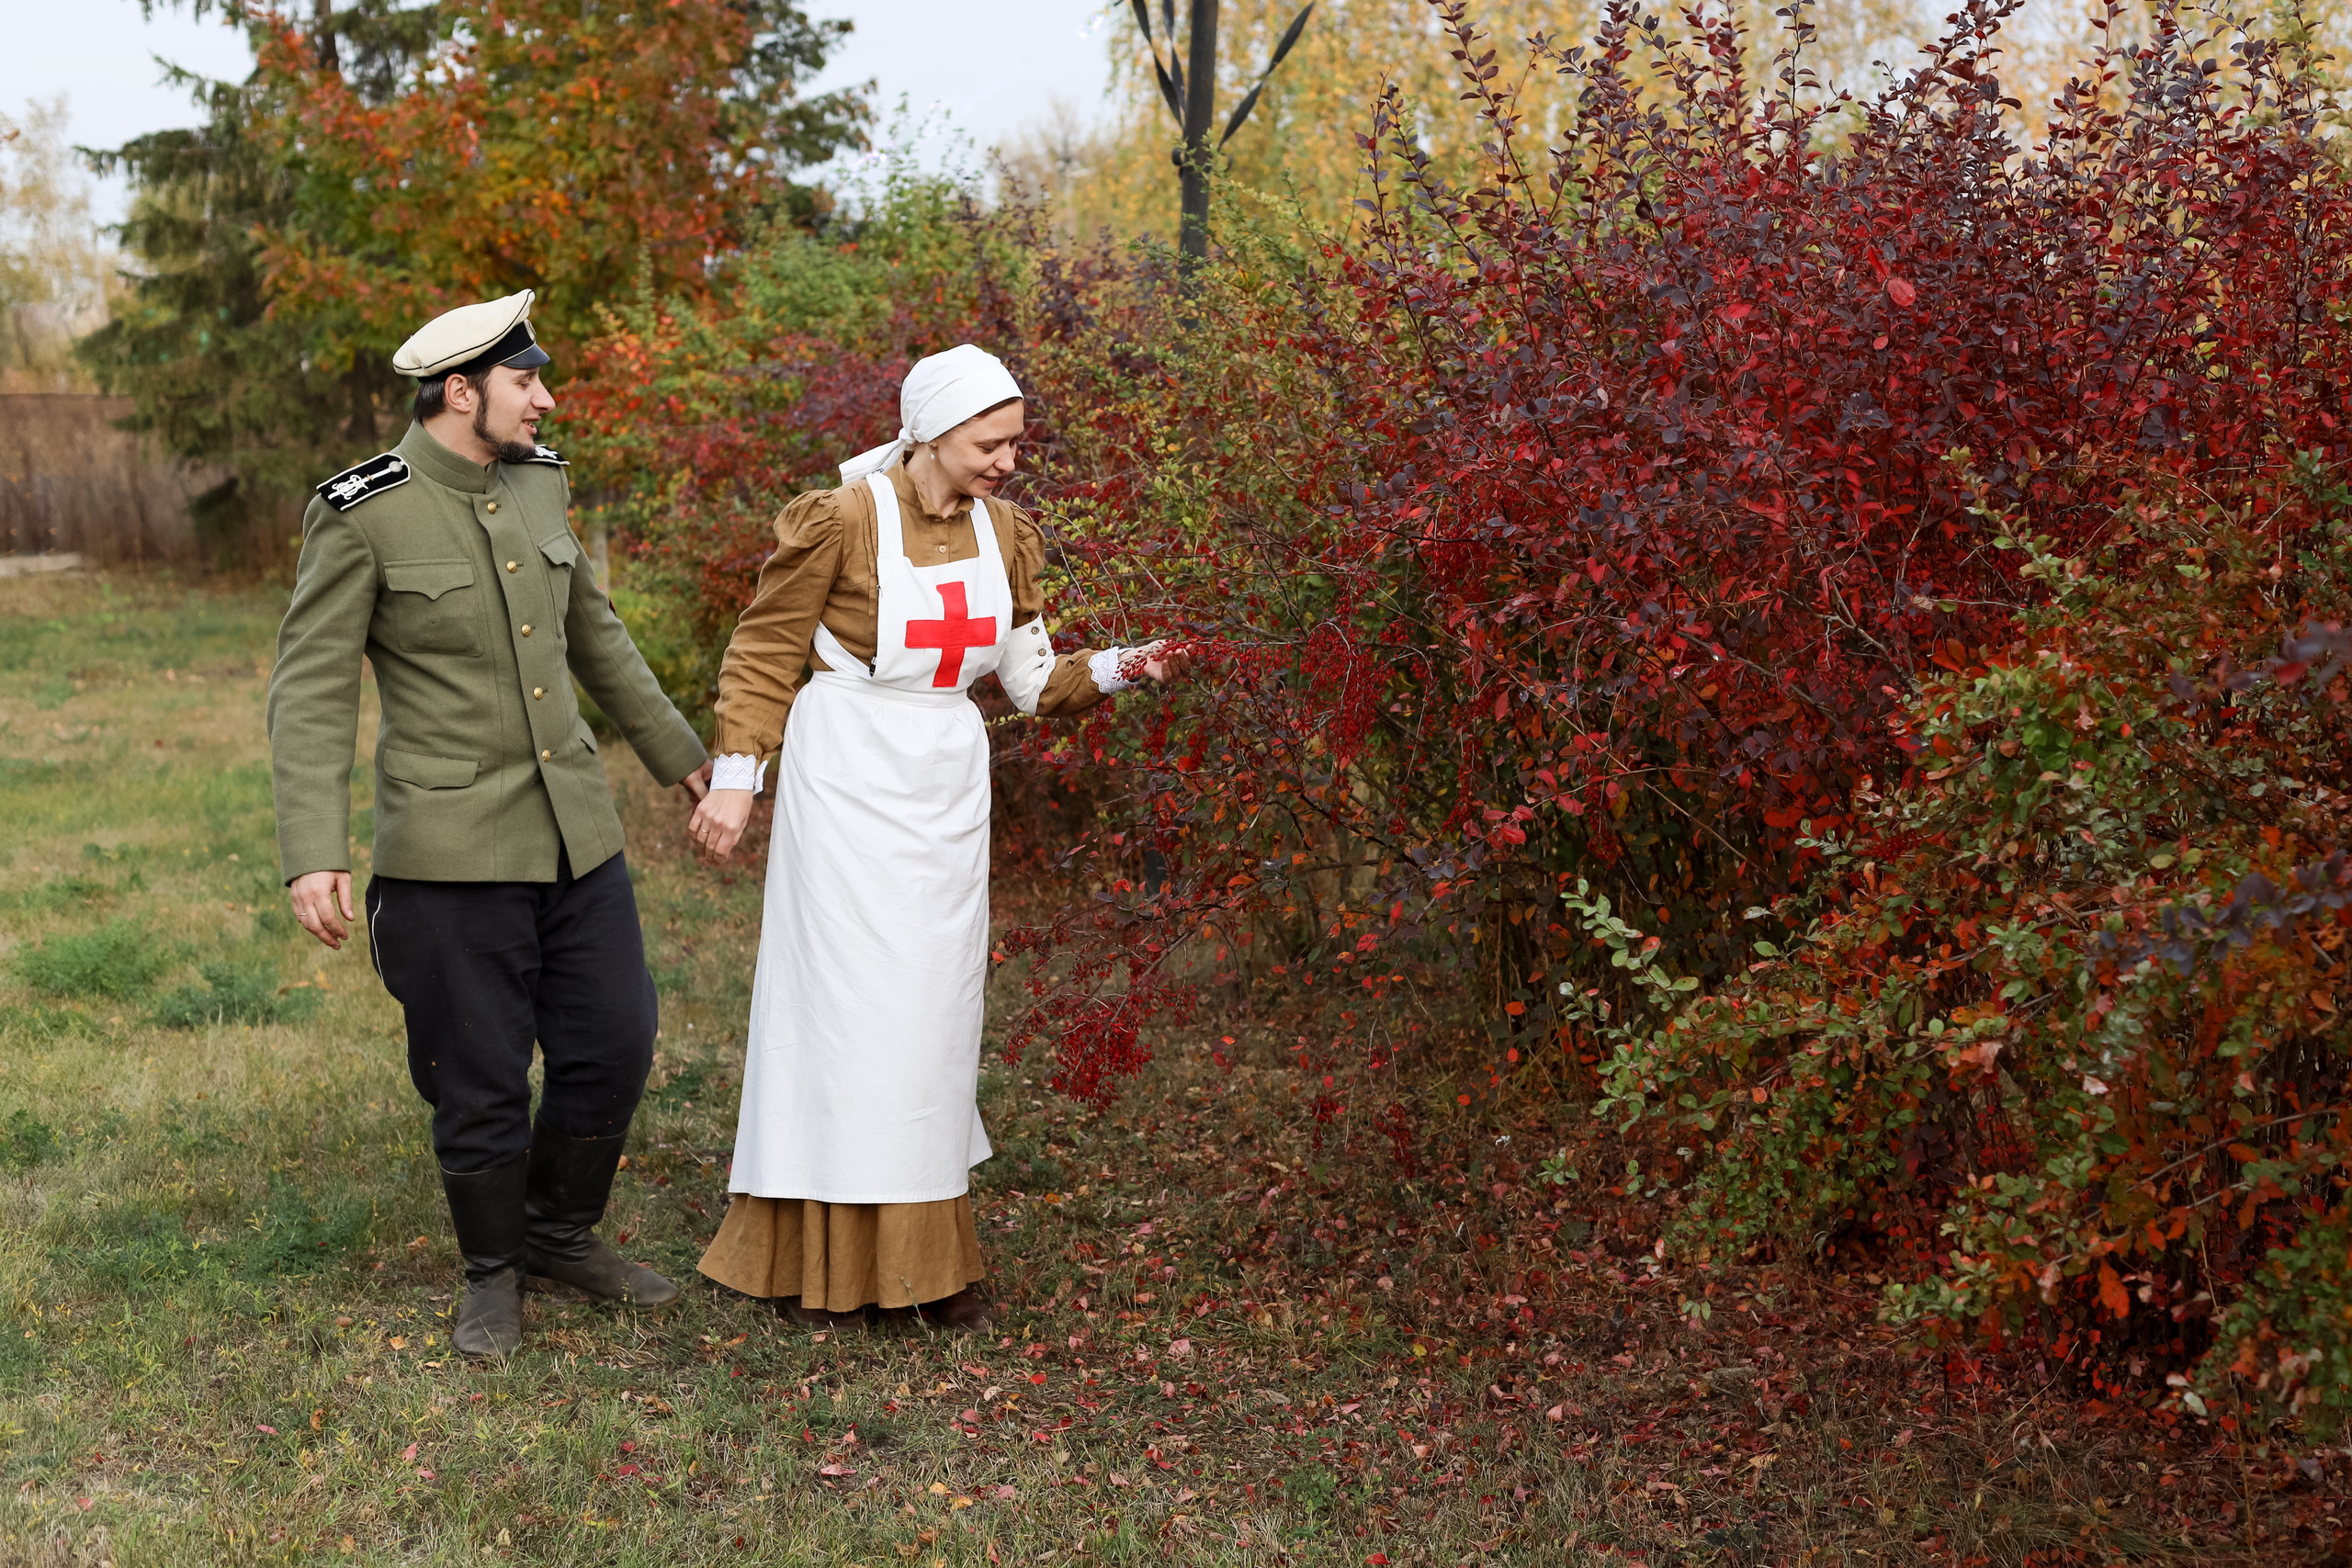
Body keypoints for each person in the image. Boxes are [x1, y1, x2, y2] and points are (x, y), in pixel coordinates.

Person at [688, 344, 1179, 1331]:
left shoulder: (1007, 533)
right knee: (844, 1017)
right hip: (844, 774)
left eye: (1013, 444)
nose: (1007, 461)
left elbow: (1032, 684)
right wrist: (740, 781)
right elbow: (763, 651)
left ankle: (919, 1264)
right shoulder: (843, 519)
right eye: (989, 443)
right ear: (932, 432)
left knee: (929, 1023)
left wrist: (1130, 665)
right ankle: (820, 1268)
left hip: (945, 786)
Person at [268, 290, 714, 1358]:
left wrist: (682, 757)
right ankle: (491, 1272)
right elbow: (313, 686)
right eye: (527, 382)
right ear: (460, 391)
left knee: (615, 1041)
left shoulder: (540, 485)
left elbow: (593, 634)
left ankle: (559, 1233)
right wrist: (312, 851)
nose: (546, 400)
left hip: (577, 837)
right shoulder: (362, 508)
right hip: (450, 851)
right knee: (476, 1075)